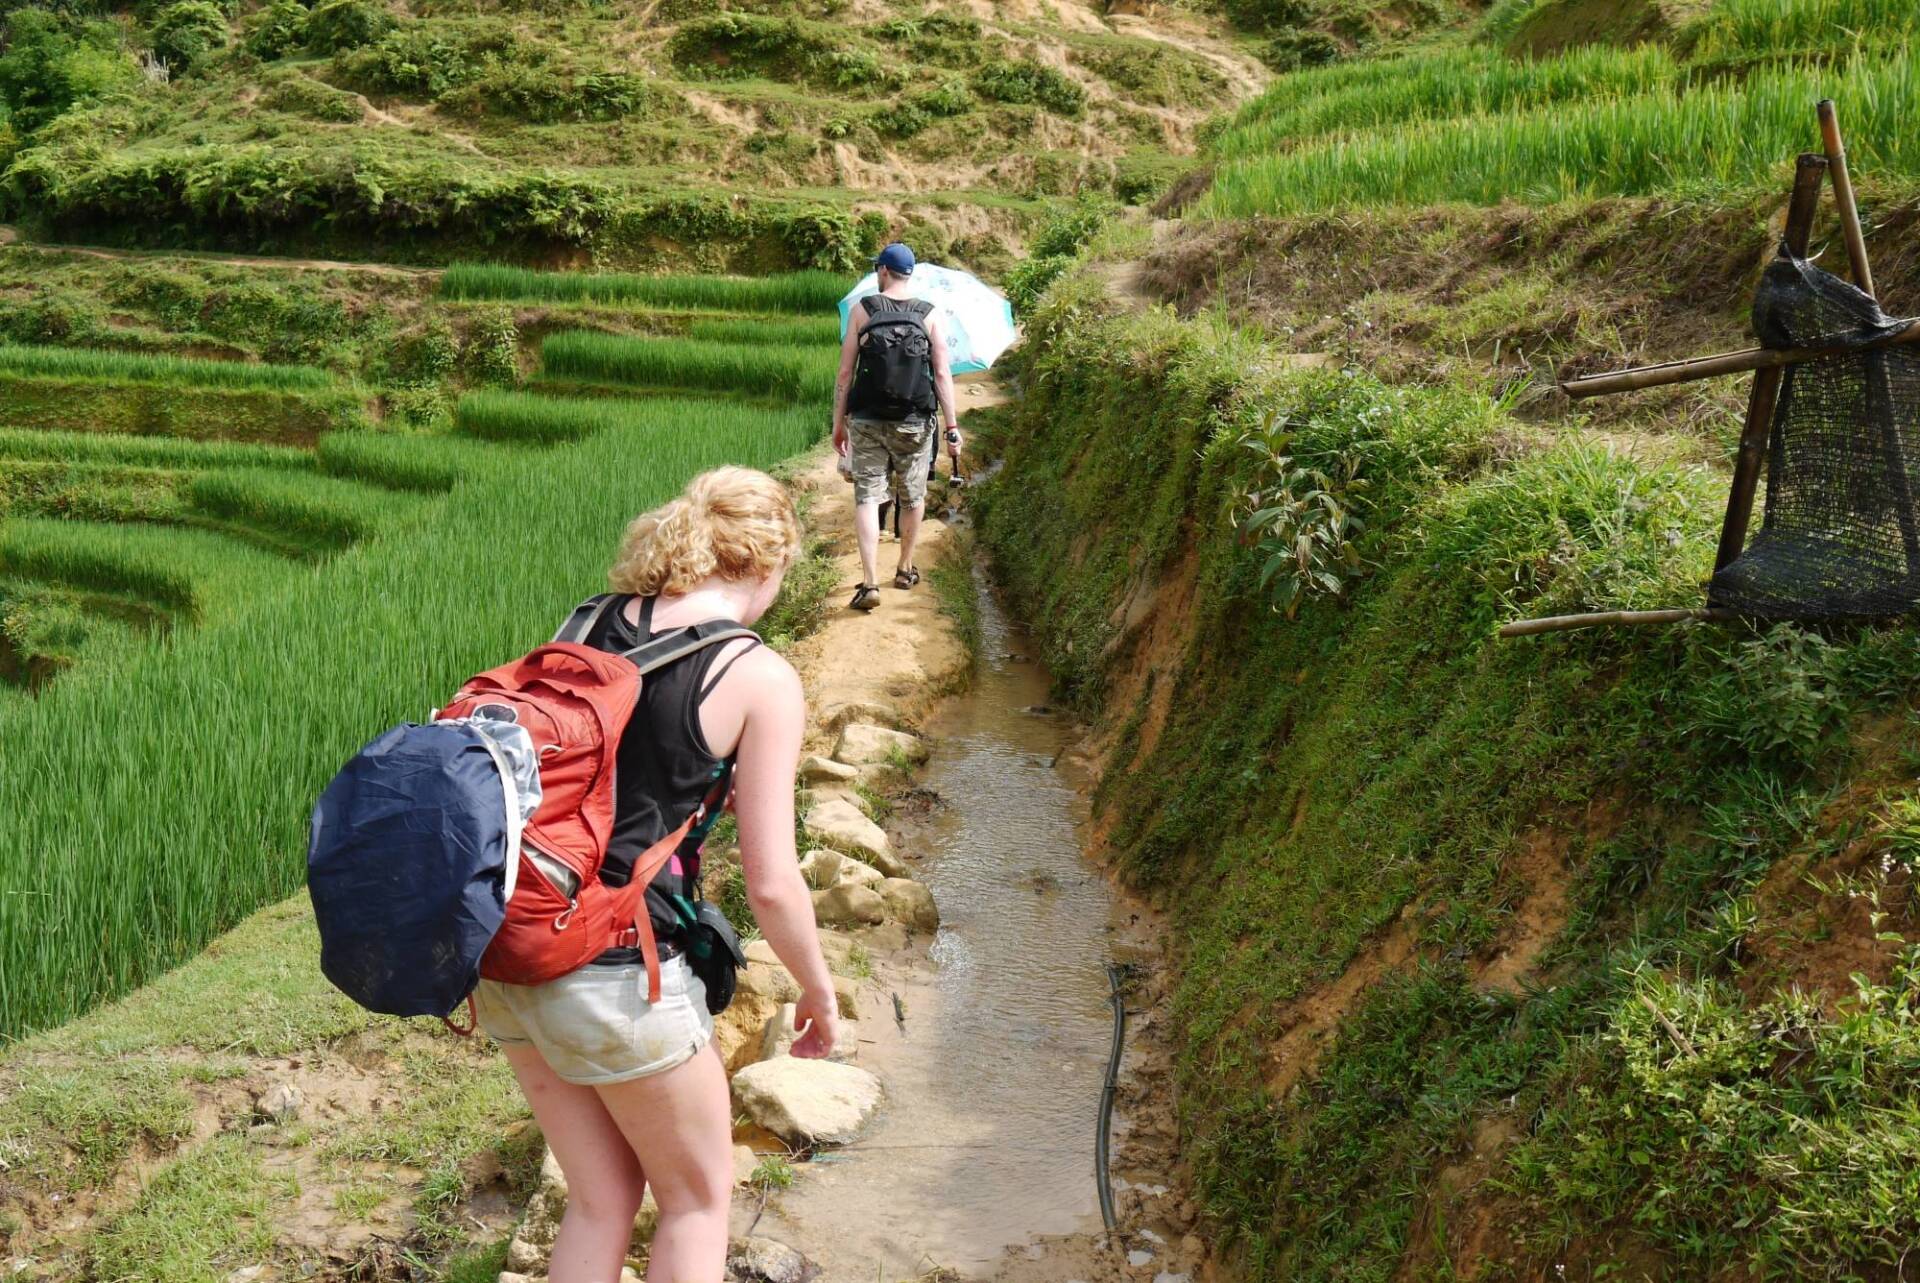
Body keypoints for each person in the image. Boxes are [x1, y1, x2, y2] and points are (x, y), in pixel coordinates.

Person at [471, 467, 840, 1283]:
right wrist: (818, 990)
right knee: (699, 1199)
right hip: (611, 966)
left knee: (601, 1198)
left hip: (507, 946)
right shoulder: (758, 676)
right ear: (768, 565)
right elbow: (773, 882)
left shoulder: (585, 621)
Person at [832, 241, 962, 612]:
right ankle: (905, 568)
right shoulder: (930, 314)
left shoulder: (862, 310)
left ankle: (870, 582)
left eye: (878, 269)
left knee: (867, 496)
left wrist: (838, 424)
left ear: (884, 271)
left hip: (867, 420)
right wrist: (952, 427)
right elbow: (941, 373)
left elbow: (845, 373)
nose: (877, 274)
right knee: (913, 495)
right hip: (914, 421)